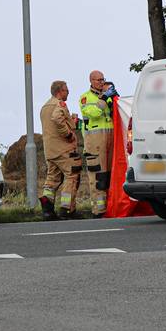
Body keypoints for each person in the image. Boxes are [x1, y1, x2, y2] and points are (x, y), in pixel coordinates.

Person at [40, 80, 81, 220]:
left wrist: (71, 122)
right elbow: (57, 119)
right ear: (60, 91)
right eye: (66, 90)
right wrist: (68, 134)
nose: (68, 92)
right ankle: (67, 209)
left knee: (52, 179)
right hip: (63, 149)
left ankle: (47, 209)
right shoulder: (59, 104)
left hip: (50, 150)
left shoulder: (45, 106)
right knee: (72, 175)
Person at [78, 70, 115, 217]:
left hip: (110, 139)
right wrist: (104, 98)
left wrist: (113, 96)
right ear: (91, 81)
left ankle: (111, 207)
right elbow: (94, 113)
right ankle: (98, 210)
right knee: (98, 177)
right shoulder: (85, 98)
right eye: (98, 80)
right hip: (95, 142)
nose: (101, 82)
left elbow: (114, 112)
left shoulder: (107, 96)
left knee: (110, 175)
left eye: (103, 79)